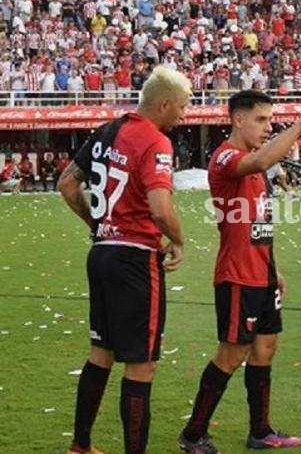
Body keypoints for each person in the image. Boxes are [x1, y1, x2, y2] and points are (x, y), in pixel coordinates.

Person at [177, 90, 301, 453]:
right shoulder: (226, 157)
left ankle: (260, 431)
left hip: (261, 275)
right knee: (231, 355)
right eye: (261, 120)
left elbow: (259, 223)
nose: (268, 127)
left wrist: (273, 270)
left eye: (270, 119)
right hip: (236, 276)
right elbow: (261, 162)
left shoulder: (255, 164)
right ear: (238, 119)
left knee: (266, 348)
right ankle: (193, 434)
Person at [58, 66, 190, 454]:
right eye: (181, 107)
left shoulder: (105, 131)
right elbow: (161, 207)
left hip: (101, 254)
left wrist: (96, 223)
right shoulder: (155, 141)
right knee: (141, 365)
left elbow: (67, 182)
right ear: (163, 104)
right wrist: (179, 239)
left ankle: (80, 446)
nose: (183, 115)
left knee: (101, 352)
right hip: (135, 260)